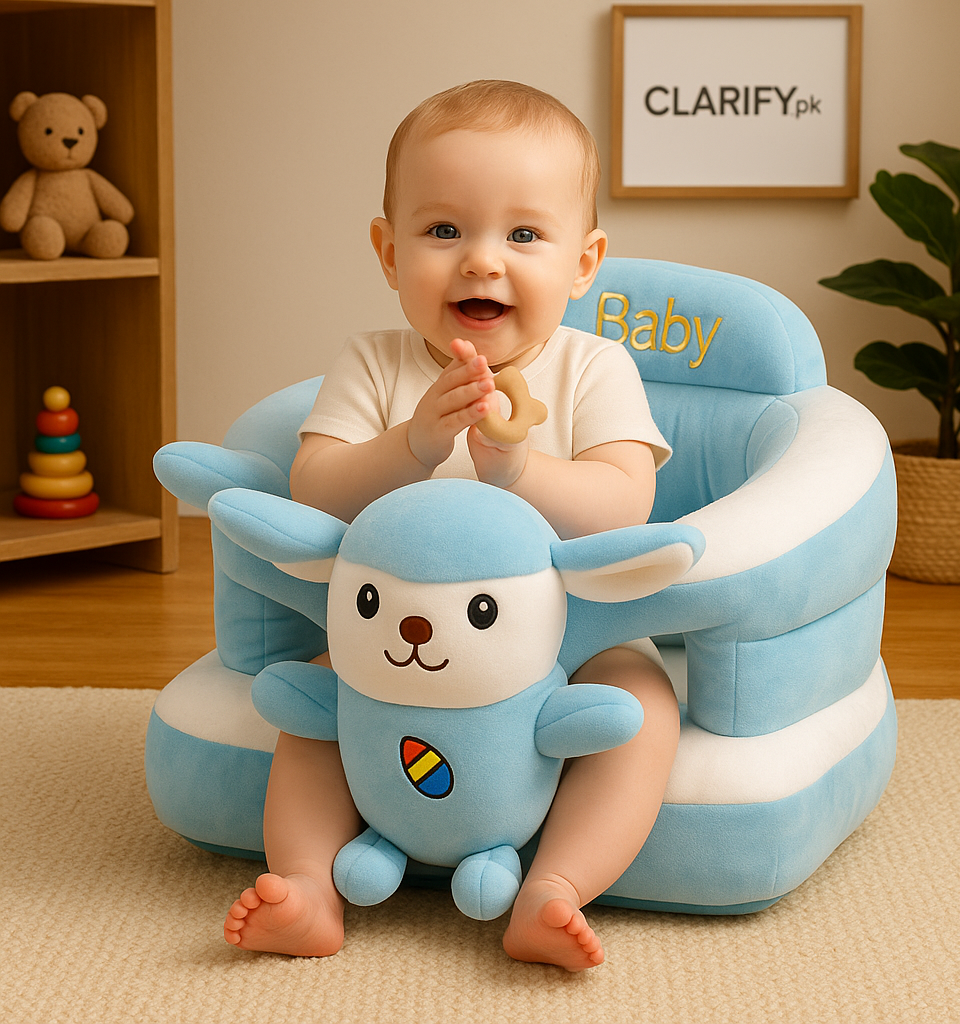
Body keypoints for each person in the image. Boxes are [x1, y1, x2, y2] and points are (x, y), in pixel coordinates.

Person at [223, 80, 679, 972]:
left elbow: (627, 502)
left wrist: (520, 470)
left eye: (524, 235)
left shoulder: (594, 368)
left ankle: (555, 888)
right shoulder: (373, 364)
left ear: (584, 262)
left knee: (642, 706)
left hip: (567, 642)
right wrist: (411, 445)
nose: (481, 262)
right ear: (388, 252)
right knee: (315, 705)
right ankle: (308, 886)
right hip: (392, 647)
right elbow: (315, 490)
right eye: (443, 230)